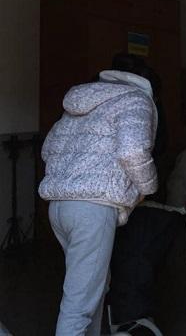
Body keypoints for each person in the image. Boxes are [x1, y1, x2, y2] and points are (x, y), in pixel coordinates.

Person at [39, 68, 158, 336]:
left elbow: (47, 149)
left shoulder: (78, 104)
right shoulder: (135, 100)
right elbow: (132, 150)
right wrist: (148, 187)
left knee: (92, 290)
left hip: (59, 206)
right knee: (78, 306)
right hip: (92, 209)